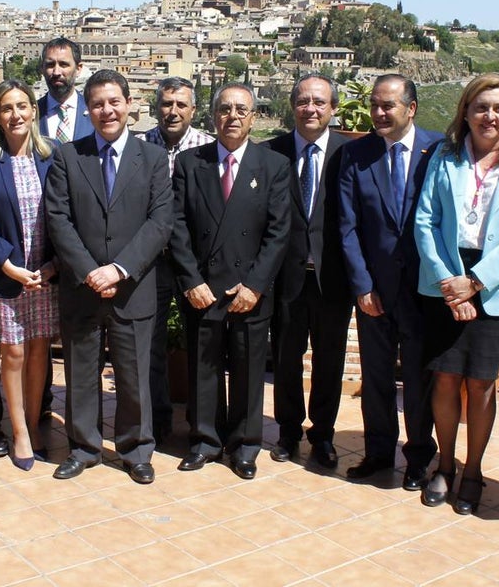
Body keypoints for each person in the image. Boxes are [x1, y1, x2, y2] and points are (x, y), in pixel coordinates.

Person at [413, 75, 499, 514]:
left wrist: (476, 282)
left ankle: (473, 471)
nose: (489, 116)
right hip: (445, 282)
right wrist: (449, 281)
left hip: (494, 284)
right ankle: (445, 465)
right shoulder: (444, 156)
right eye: (480, 107)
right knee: (446, 377)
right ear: (466, 112)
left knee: (481, 383)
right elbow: (425, 221)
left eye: (498, 108)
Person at [44, 69, 172, 484]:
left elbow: (160, 222)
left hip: (131, 288)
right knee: (81, 372)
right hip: (82, 288)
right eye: (97, 104)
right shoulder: (67, 156)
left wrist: (118, 269)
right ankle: (83, 447)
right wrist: (88, 271)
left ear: (129, 104)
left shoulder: (153, 158)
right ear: (88, 109)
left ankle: (136, 450)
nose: (106, 110)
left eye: (114, 101)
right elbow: (58, 219)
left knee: (134, 376)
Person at [170, 83, 291, 480]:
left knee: (248, 370)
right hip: (202, 288)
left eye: (241, 110)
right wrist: (191, 280)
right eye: (225, 109)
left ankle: (244, 446)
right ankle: (204, 441)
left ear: (254, 117)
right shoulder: (191, 163)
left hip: (249, 291)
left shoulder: (272, 165)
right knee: (202, 369)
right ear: (213, 115)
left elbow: (278, 233)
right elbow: (177, 226)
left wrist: (255, 286)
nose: (232, 116)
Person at [339, 74, 442, 488]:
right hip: (375, 291)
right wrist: (362, 286)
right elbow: (347, 226)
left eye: (389, 106)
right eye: (375, 106)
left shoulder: (438, 150)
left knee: (419, 379)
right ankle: (378, 452)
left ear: (411, 108)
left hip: (422, 290)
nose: (379, 114)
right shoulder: (355, 154)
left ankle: (418, 457)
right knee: (376, 376)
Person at [0, 80, 58, 470]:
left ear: (34, 110)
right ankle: (19, 431)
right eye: (7, 108)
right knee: (14, 351)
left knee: (39, 348)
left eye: (22, 106)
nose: (16, 114)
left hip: (45, 273)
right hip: (7, 273)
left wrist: (52, 265)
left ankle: (35, 426)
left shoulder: (54, 155)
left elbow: (66, 216)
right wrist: (9, 266)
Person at [267, 75, 353, 471]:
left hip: (332, 278)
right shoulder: (271, 154)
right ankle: (287, 432)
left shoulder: (350, 154)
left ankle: (323, 435)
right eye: (303, 101)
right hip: (285, 277)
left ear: (332, 108)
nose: (310, 109)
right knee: (286, 357)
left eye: (319, 102)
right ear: (292, 106)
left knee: (329, 360)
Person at [140, 76, 214, 440]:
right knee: (150, 343)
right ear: (156, 106)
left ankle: (203, 426)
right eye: (167, 104)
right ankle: (158, 420)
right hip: (150, 263)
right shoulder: (139, 146)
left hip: (194, 265)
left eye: (181, 105)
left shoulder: (208, 149)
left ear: (193, 110)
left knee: (202, 343)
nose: (173, 111)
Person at [37, 37, 94, 143]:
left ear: (78, 69)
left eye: (64, 64)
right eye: (50, 65)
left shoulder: (94, 112)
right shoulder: (32, 114)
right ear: (42, 69)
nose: (56, 72)